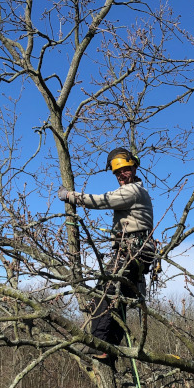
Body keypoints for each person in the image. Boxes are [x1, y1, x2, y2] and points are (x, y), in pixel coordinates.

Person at [58, 148, 154, 359]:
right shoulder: (138, 192)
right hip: (137, 252)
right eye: (117, 173)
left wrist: (70, 197)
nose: (121, 175)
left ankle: (99, 343)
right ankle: (109, 350)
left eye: (125, 170)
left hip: (133, 251)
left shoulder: (132, 191)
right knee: (118, 299)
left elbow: (102, 200)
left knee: (107, 293)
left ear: (134, 167)